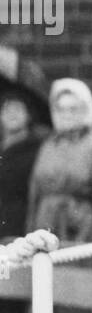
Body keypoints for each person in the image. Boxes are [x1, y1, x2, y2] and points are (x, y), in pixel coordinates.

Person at [27, 79, 92, 244]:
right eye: (61, 109)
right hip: (45, 229)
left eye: (73, 109)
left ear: (86, 110)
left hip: (82, 233)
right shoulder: (49, 145)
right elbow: (34, 197)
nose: (66, 114)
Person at [0, 94, 47, 240]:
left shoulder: (38, 148)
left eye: (18, 109)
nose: (12, 114)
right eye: (7, 109)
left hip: (19, 224)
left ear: (28, 115)